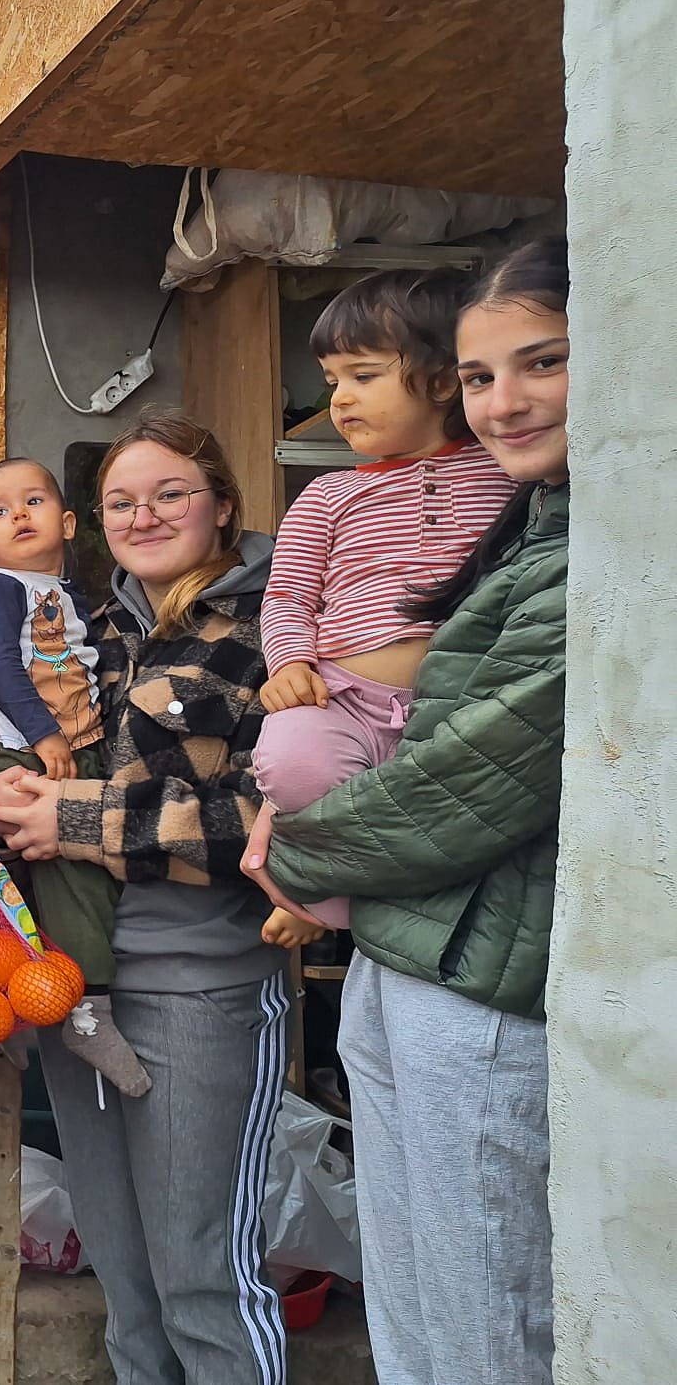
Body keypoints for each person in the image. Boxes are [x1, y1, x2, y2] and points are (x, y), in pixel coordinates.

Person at [245, 237, 570, 1385]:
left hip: (479, 962)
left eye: (543, 363)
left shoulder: (564, 533)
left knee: (482, 1297)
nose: (504, 401)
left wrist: (297, 863)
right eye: (483, 376)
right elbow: (293, 607)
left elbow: (470, 779)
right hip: (406, 943)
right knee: (416, 1279)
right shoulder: (517, 516)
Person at [0, 411, 288, 1385]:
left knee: (204, 1281)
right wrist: (8, 795)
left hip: (202, 986)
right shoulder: (91, 629)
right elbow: (39, 757)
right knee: (128, 1288)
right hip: (75, 987)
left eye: (170, 494)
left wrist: (73, 819)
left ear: (223, 505)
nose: (143, 515)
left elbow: (272, 821)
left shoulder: (275, 628)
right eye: (122, 500)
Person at [248, 269, 517, 942]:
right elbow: (288, 596)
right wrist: (289, 663)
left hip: (460, 707)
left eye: (362, 375)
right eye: (332, 379)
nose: (340, 398)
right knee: (291, 764)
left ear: (445, 379)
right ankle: (324, 897)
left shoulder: (506, 474)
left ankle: (334, 894)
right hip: (342, 697)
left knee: (452, 822)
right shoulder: (327, 494)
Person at [0, 457, 149, 1096]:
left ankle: (27, 998)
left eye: (33, 501)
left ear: (67, 523)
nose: (19, 514)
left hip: (76, 748)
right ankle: (86, 1011)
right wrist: (44, 735)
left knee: (88, 875)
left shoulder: (65, 594)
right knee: (68, 877)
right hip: (28, 751)